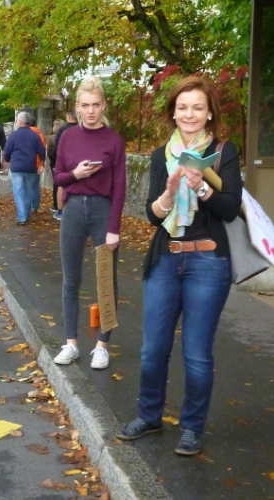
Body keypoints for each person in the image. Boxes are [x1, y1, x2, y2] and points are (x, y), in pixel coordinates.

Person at [117, 76, 242, 456]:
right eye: (183, 107)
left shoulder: (223, 152)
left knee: (197, 353)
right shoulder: (161, 156)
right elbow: (152, 216)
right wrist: (170, 193)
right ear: (173, 112)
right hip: (166, 258)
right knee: (152, 349)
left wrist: (201, 186)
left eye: (198, 107)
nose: (190, 114)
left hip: (208, 262)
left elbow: (230, 209)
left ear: (209, 114)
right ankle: (149, 416)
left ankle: (192, 427)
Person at [52, 75, 126, 370]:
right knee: (71, 280)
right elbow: (58, 176)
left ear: (104, 105)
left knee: (106, 280)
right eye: (85, 105)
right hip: (72, 210)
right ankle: (71, 344)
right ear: (77, 107)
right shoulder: (68, 137)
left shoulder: (114, 140)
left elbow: (119, 186)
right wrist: (76, 174)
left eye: (96, 105)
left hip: (102, 211)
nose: (91, 111)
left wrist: (114, 228)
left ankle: (102, 346)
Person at [3, 112, 46, 225]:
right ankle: (26, 214)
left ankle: (22, 217)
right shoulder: (34, 135)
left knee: (19, 192)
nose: (17, 122)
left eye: (17, 120)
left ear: (20, 122)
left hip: (17, 167)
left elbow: (7, 151)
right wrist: (41, 164)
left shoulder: (14, 135)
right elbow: (41, 151)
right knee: (28, 191)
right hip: (30, 167)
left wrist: (7, 159)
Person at [48, 110, 78, 220]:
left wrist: (54, 162)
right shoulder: (82, 128)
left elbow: (57, 148)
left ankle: (60, 209)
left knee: (60, 185)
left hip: (64, 162)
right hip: (78, 162)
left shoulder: (62, 130)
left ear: (68, 117)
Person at [26, 116, 47, 213]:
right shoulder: (40, 135)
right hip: (38, 164)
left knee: (27, 187)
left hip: (29, 163)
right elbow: (43, 150)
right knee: (35, 186)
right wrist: (42, 164)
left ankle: (27, 206)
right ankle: (35, 206)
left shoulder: (27, 134)